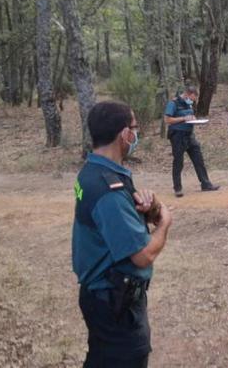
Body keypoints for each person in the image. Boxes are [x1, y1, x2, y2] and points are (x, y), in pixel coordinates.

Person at [72, 101, 173, 367]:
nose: (136, 134)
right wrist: (164, 224)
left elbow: (113, 222)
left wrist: (147, 209)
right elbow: (142, 256)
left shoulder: (93, 172)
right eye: (134, 128)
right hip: (114, 301)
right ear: (124, 134)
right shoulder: (109, 191)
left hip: (100, 296)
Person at [163, 85, 218, 197]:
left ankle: (206, 184)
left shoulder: (189, 104)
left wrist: (194, 119)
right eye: (192, 98)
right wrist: (183, 119)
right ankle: (177, 188)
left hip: (189, 135)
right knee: (178, 161)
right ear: (187, 94)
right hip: (177, 136)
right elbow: (167, 120)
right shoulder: (173, 103)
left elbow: (190, 116)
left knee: (198, 158)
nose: (193, 101)